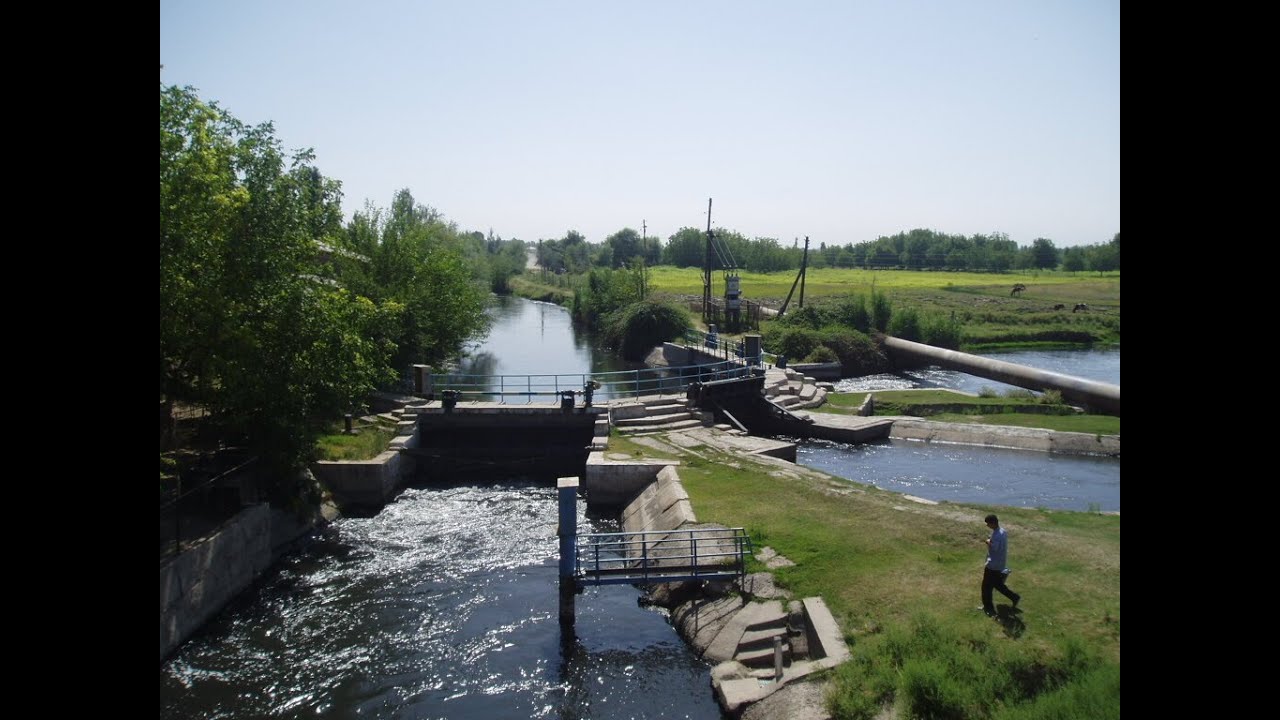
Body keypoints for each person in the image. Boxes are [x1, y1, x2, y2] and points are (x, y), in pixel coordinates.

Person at [981, 514, 1021, 617]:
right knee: (997, 585)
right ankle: (1014, 597)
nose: (987, 525)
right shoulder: (1002, 531)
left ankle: (988, 608)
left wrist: (988, 541)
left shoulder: (997, 535)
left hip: (993, 565)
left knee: (986, 587)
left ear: (993, 523)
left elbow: (995, 548)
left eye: (988, 523)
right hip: (999, 564)